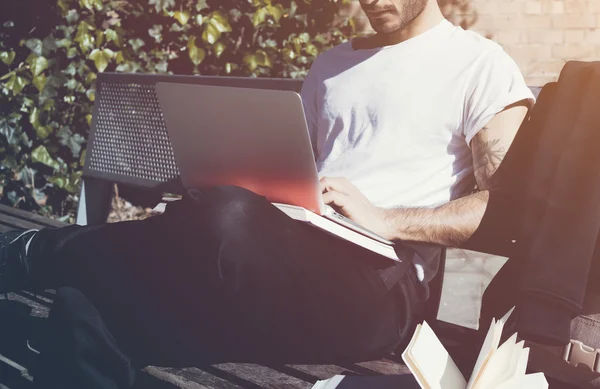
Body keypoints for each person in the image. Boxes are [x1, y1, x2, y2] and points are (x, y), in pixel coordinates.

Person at [0, 0, 534, 387]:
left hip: (382, 285)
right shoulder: (331, 66)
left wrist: (385, 218)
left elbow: (507, 212)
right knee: (111, 302)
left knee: (224, 220)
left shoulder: (480, 65)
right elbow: (288, 171)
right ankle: (85, 314)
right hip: (290, 257)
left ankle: (40, 255)